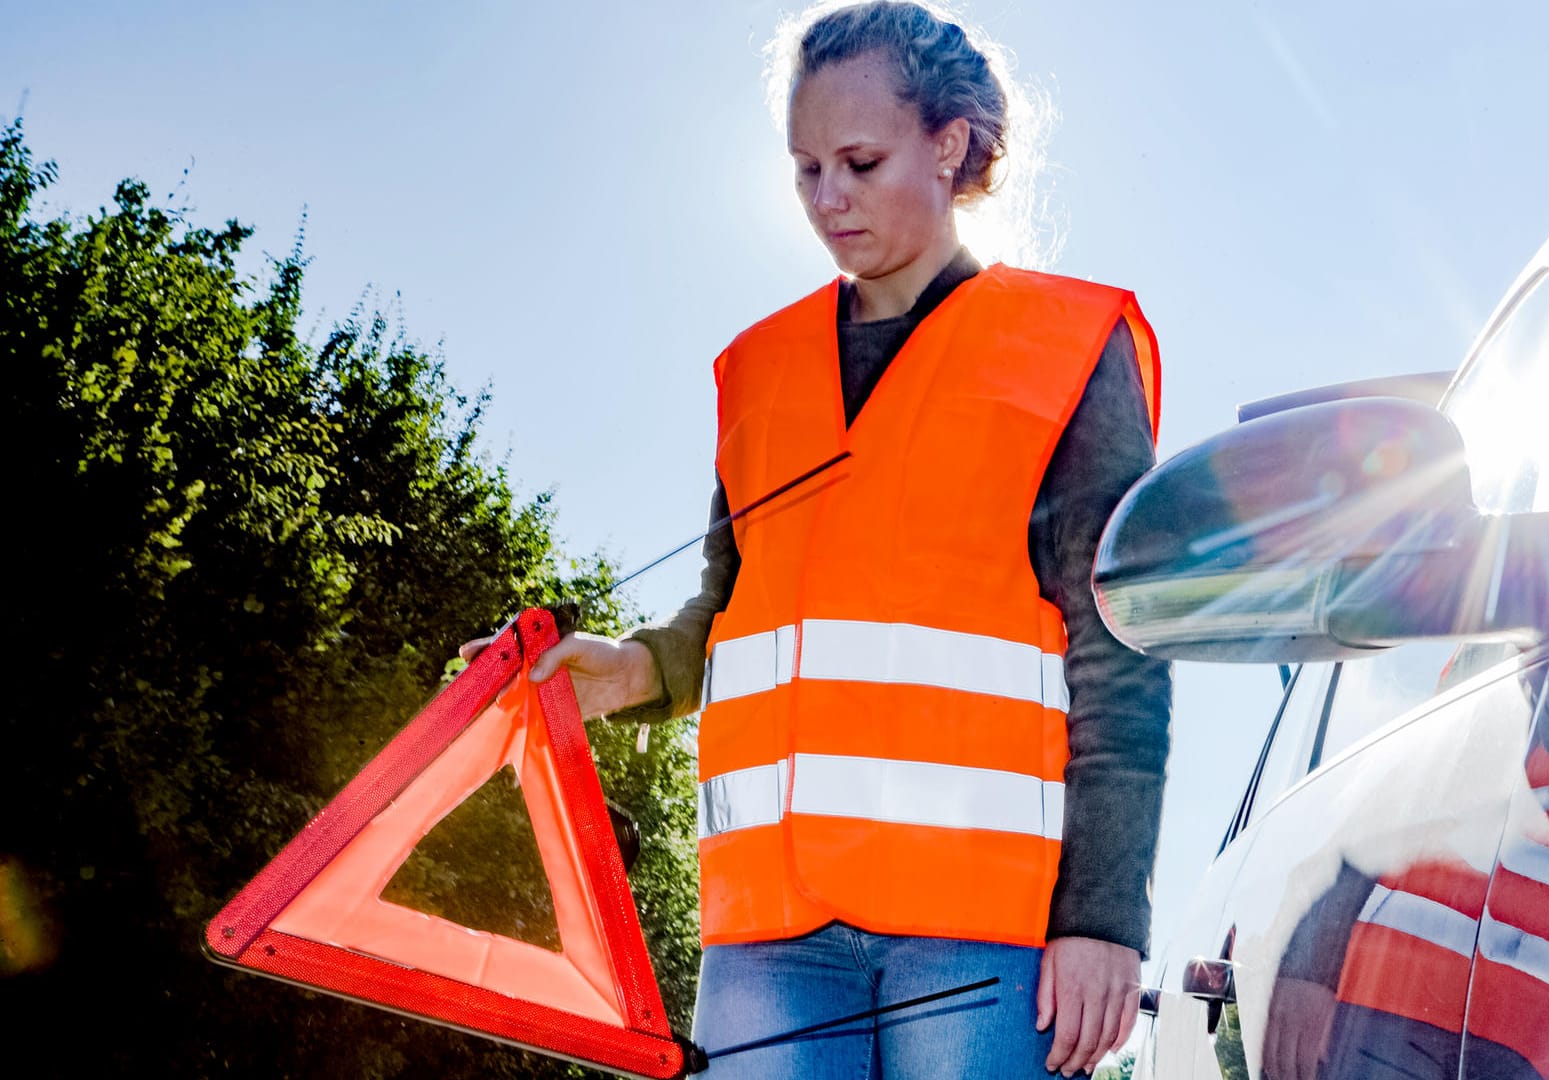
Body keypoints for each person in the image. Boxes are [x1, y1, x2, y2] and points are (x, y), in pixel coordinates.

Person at [465, 3, 1173, 1076]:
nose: (828, 199)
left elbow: (1120, 651)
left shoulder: (1069, 347)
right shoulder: (759, 372)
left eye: (858, 161)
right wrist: (630, 670)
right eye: (805, 170)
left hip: (981, 930)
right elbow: (734, 606)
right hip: (770, 930)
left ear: (948, 144)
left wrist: (1105, 920)